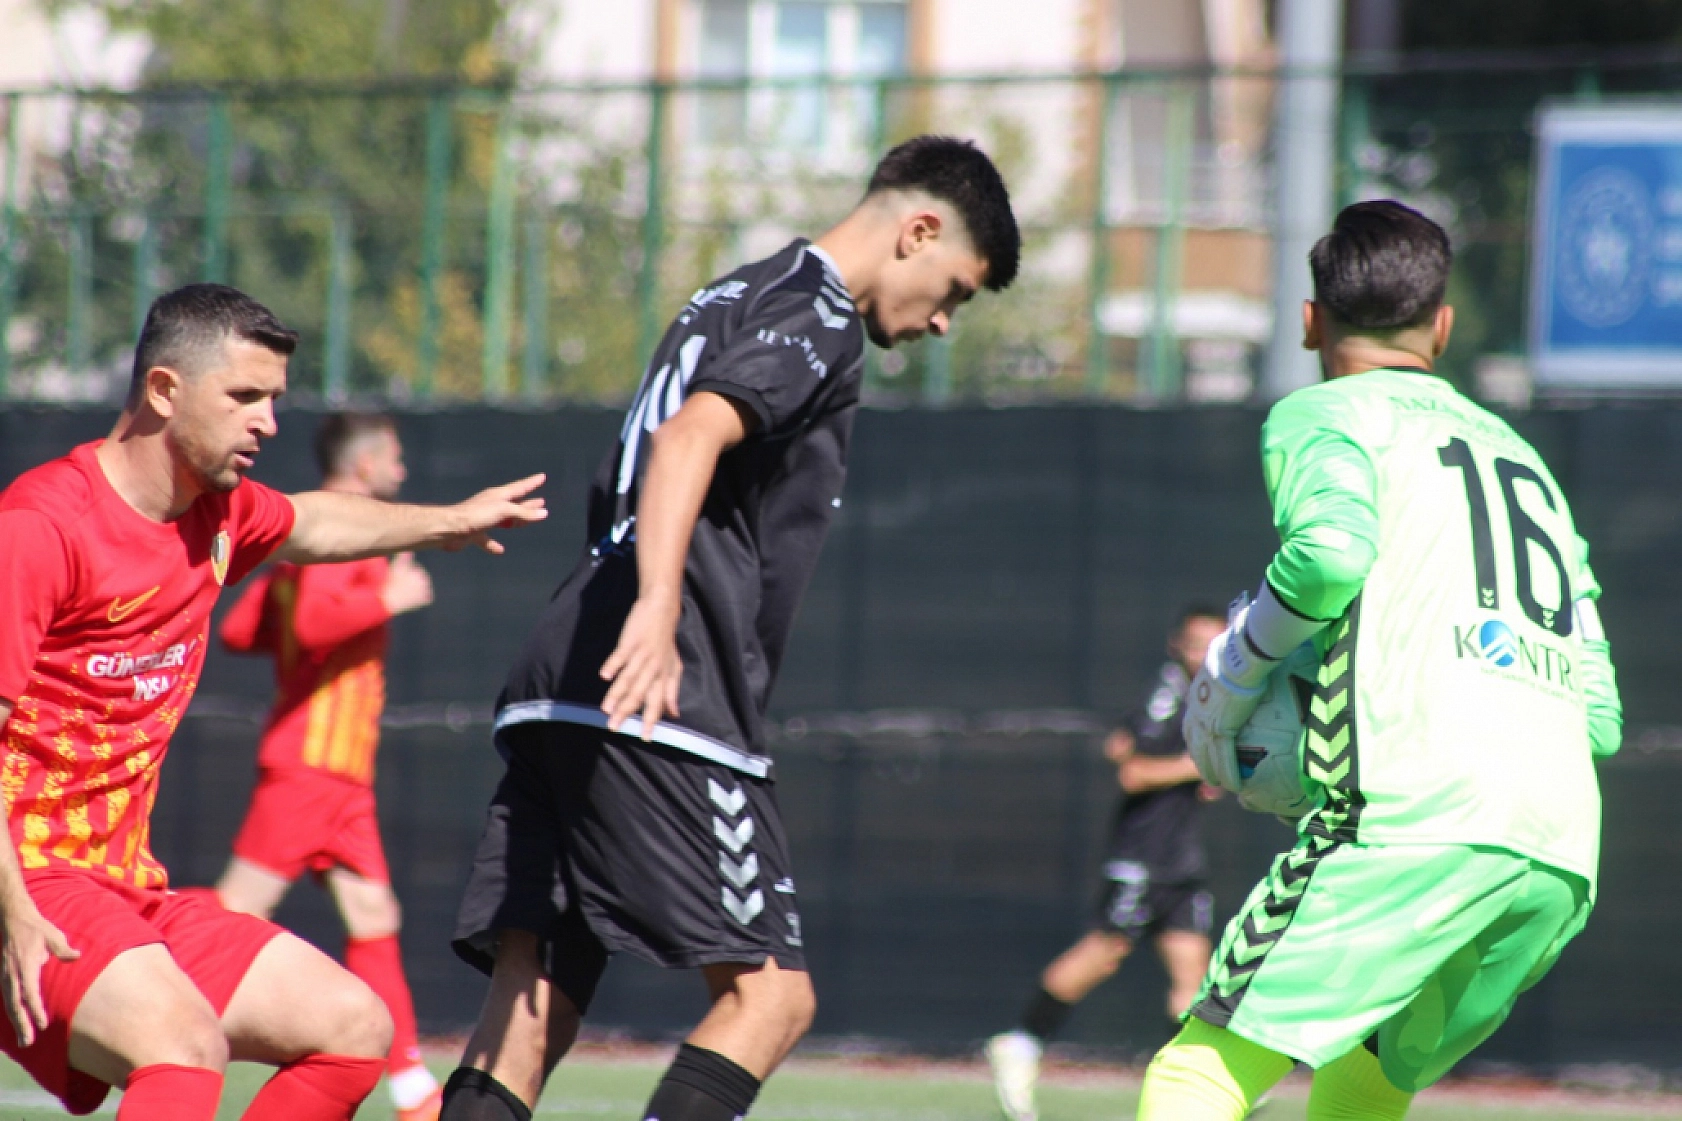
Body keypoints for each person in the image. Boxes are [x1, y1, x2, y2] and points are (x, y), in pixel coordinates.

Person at [437, 135, 1021, 1121]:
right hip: (662, 681)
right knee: (768, 996)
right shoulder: (822, 315)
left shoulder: (735, 290)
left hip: (563, 668)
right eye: (956, 290)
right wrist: (662, 606)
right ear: (917, 231)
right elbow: (690, 432)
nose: (945, 323)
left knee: (530, 1001)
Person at [0, 284, 546, 1121]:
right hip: (24, 881)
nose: (269, 422)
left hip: (123, 888)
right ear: (162, 390)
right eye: (246, 397)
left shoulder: (215, 514)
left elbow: (316, 524)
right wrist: (13, 914)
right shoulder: (41, 526)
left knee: (352, 1026)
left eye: (275, 400)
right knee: (182, 1046)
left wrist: (448, 522)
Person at [1139, 201, 1623, 1120]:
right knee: (1369, 1072)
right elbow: (1598, 712)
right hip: (1559, 851)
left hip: (1412, 820)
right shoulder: (1523, 456)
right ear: (1440, 327)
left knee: (1196, 1070)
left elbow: (1329, 553)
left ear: (1311, 320)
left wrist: (1241, 664)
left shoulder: (1322, 411)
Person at [208, 412, 443, 1121]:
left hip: (340, 773)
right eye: (395, 458)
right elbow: (310, 623)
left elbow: (242, 629)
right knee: (231, 913)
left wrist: (291, 598)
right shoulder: (353, 531)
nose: (402, 471)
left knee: (374, 913)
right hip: (312, 764)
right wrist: (386, 599)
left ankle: (412, 1090)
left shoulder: (303, 539)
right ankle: (144, 1017)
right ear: (366, 466)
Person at [986, 606, 1226, 1121]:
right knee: (1104, 952)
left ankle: (1193, 1087)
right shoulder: (1166, 698)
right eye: (1198, 645)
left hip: (1180, 858)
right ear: (1177, 648)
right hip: (1142, 857)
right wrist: (1194, 767)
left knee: (1193, 974)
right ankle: (1022, 1041)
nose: (1207, 655)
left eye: (1218, 644)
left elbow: (1121, 743)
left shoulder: (1204, 696)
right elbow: (1134, 771)